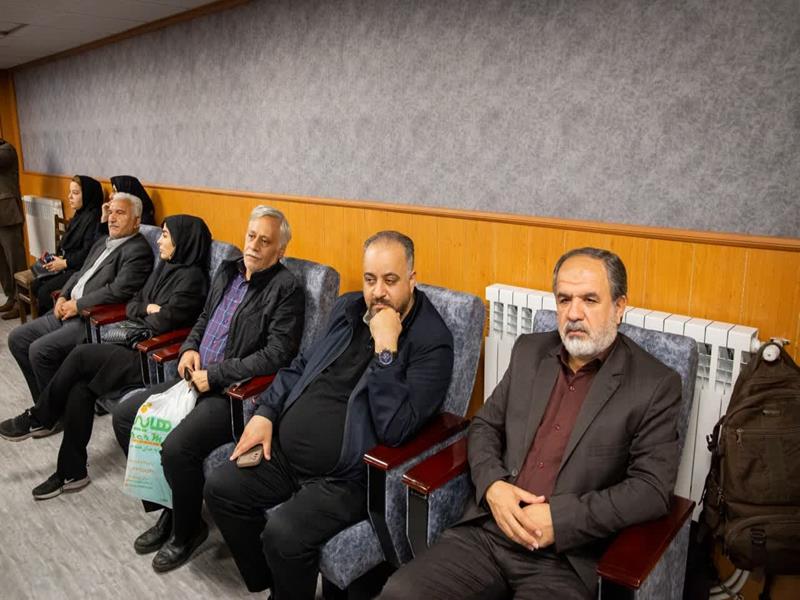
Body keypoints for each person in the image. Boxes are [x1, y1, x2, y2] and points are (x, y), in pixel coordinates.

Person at [379, 247, 683, 600]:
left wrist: (560, 519)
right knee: (399, 592)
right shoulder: (530, 351)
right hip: (490, 533)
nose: (574, 313)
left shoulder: (654, 384)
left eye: (589, 300)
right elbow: (485, 426)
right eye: (564, 299)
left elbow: (650, 490)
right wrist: (493, 486)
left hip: (565, 559)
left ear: (619, 307)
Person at [203, 230, 455, 599]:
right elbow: (300, 365)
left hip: (348, 477)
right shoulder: (348, 308)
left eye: (390, 280)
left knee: (283, 534)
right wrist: (266, 413)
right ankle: (274, 583)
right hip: (285, 452)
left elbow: (396, 428)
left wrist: (386, 349)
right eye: (370, 279)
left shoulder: (432, 341)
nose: (378, 292)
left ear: (412, 279)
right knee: (220, 488)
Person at [112, 205, 305, 574]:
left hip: (232, 394)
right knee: (125, 416)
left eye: (265, 241)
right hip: (193, 378)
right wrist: (189, 348)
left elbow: (278, 354)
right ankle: (170, 510)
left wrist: (216, 374)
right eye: (251, 236)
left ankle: (188, 531)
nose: (254, 245)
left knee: (176, 448)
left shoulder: (286, 289)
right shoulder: (228, 270)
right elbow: (204, 318)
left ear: (280, 250)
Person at [0, 216, 212, 501]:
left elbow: (165, 321)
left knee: (79, 356)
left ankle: (40, 416)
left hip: (151, 358)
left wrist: (147, 311)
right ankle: (71, 471)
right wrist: (147, 308)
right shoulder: (165, 267)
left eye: (165, 235)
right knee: (80, 389)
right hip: (131, 344)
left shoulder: (194, 280)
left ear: (183, 241)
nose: (159, 241)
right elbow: (133, 303)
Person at [5, 192, 153, 422]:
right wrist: (63, 297)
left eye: (120, 213)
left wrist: (78, 305)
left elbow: (118, 291)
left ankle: (53, 415)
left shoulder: (137, 250)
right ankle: (46, 405)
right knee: (17, 338)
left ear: (136, 221)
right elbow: (79, 273)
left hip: (92, 319)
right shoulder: (103, 242)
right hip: (68, 308)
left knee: (39, 350)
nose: (112, 218)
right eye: (110, 212)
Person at [30, 175, 103, 313]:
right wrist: (57, 258)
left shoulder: (94, 218)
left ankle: (54, 320)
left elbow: (87, 253)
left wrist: (64, 263)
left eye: (75, 193)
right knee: (35, 284)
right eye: (70, 192)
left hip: (78, 269)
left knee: (44, 292)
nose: (69, 197)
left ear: (87, 195)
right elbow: (69, 244)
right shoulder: (80, 214)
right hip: (68, 263)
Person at [0, 138, 28, 319]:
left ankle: (22, 302)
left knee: (15, 260)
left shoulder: (6, 150)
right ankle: (11, 296)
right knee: (2, 262)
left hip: (8, 215)